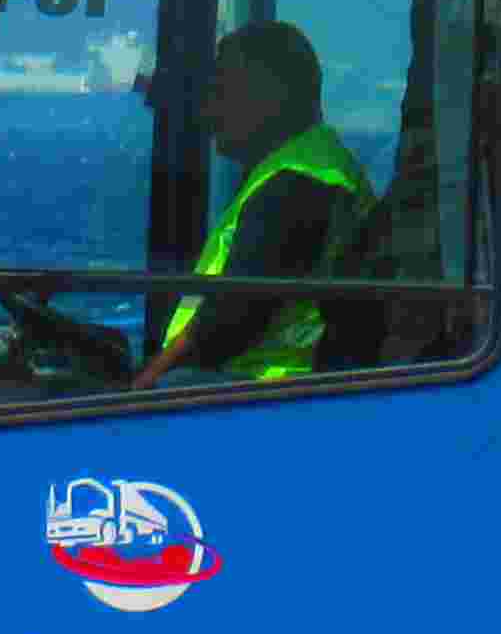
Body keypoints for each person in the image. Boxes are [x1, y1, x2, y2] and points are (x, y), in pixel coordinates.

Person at [138, 20, 366, 385]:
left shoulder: (297, 184)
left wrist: (143, 387)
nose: (210, 113)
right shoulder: (299, 168)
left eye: (223, 93)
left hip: (266, 393)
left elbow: (226, 323)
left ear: (270, 97)